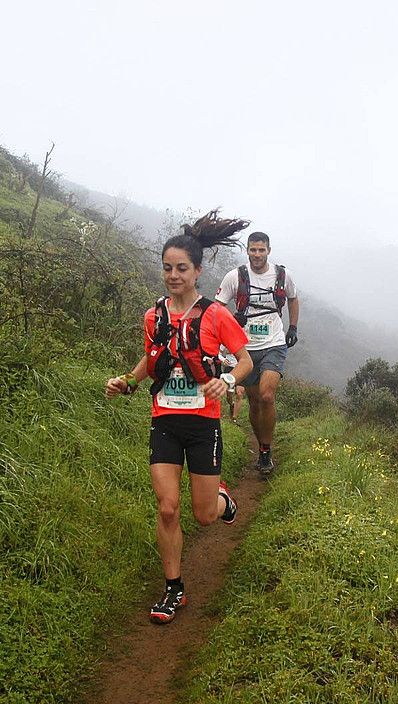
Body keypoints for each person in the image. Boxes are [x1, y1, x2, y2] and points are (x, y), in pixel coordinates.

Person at [105, 211, 252, 624]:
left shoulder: (215, 315)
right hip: (165, 420)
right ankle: (173, 589)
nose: (173, 275)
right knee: (168, 508)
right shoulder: (154, 317)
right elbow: (153, 362)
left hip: (204, 425)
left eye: (181, 268)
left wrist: (226, 378)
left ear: (198, 271)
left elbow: (245, 362)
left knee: (204, 515)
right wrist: (127, 382)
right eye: (167, 268)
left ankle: (222, 499)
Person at [214, 231, 299, 475]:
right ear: (248, 250)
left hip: (274, 342)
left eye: (261, 250)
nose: (257, 254)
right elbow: (217, 308)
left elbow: (293, 299)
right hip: (245, 349)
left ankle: (266, 448)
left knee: (267, 396)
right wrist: (232, 319)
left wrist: (293, 327)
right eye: (253, 250)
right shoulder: (235, 277)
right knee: (253, 402)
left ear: (269, 250)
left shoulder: (282, 275)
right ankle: (262, 447)